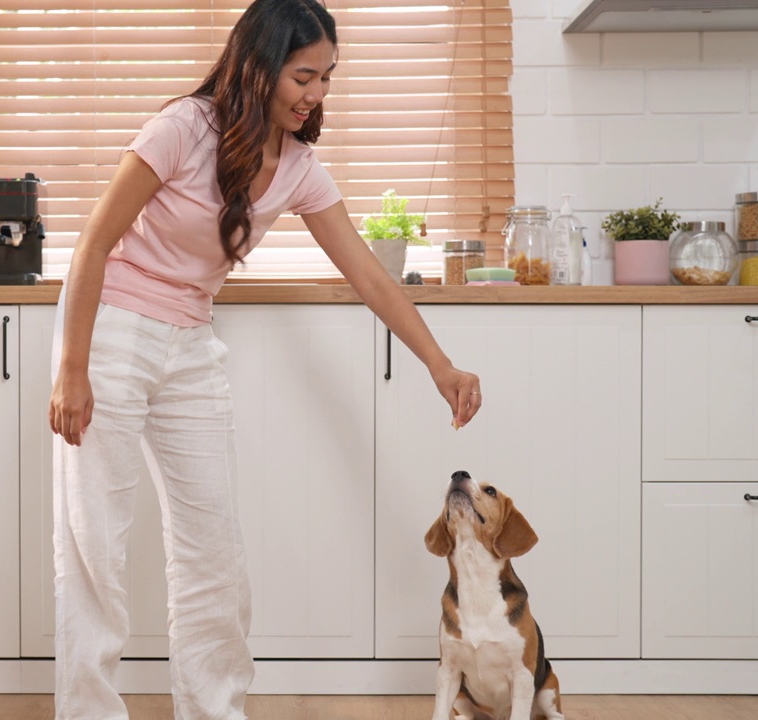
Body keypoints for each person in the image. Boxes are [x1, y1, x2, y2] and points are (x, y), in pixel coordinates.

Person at [47, 0, 483, 717]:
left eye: (327, 78)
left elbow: (369, 275)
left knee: (213, 553)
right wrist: (72, 369)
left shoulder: (300, 166)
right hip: (113, 333)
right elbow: (92, 244)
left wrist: (440, 364)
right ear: (260, 67)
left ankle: (215, 708)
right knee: (95, 548)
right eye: (304, 76)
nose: (316, 94)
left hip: (189, 342)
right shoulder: (183, 129)